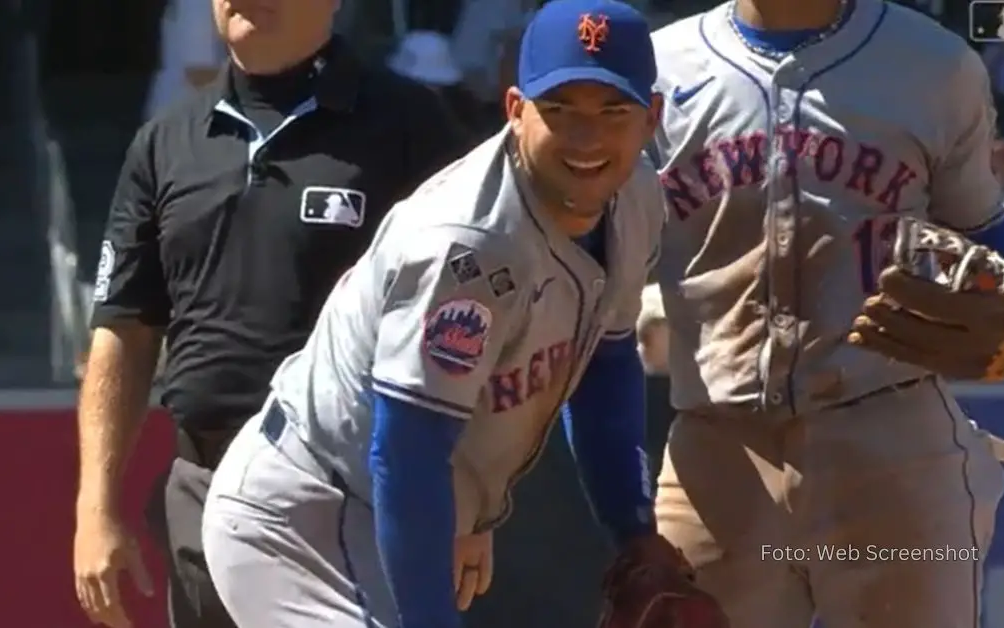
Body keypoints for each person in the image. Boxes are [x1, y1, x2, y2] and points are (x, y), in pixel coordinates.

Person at [199, 1, 666, 626]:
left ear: (652, 118)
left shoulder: (634, 198)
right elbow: (408, 451)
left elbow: (606, 368)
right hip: (306, 511)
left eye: (613, 112)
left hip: (384, 504)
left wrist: (634, 534)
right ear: (515, 112)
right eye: (560, 111)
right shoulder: (467, 242)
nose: (587, 139)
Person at [646, 0, 1004, 626]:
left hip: (888, 431)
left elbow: (984, 224)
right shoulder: (659, 69)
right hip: (719, 448)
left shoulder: (935, 63)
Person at [71, 0, 467, 625]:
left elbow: (463, 320)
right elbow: (123, 328)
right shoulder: (165, 141)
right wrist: (96, 507)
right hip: (199, 486)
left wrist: (466, 504)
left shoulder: (407, 123)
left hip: (344, 498)